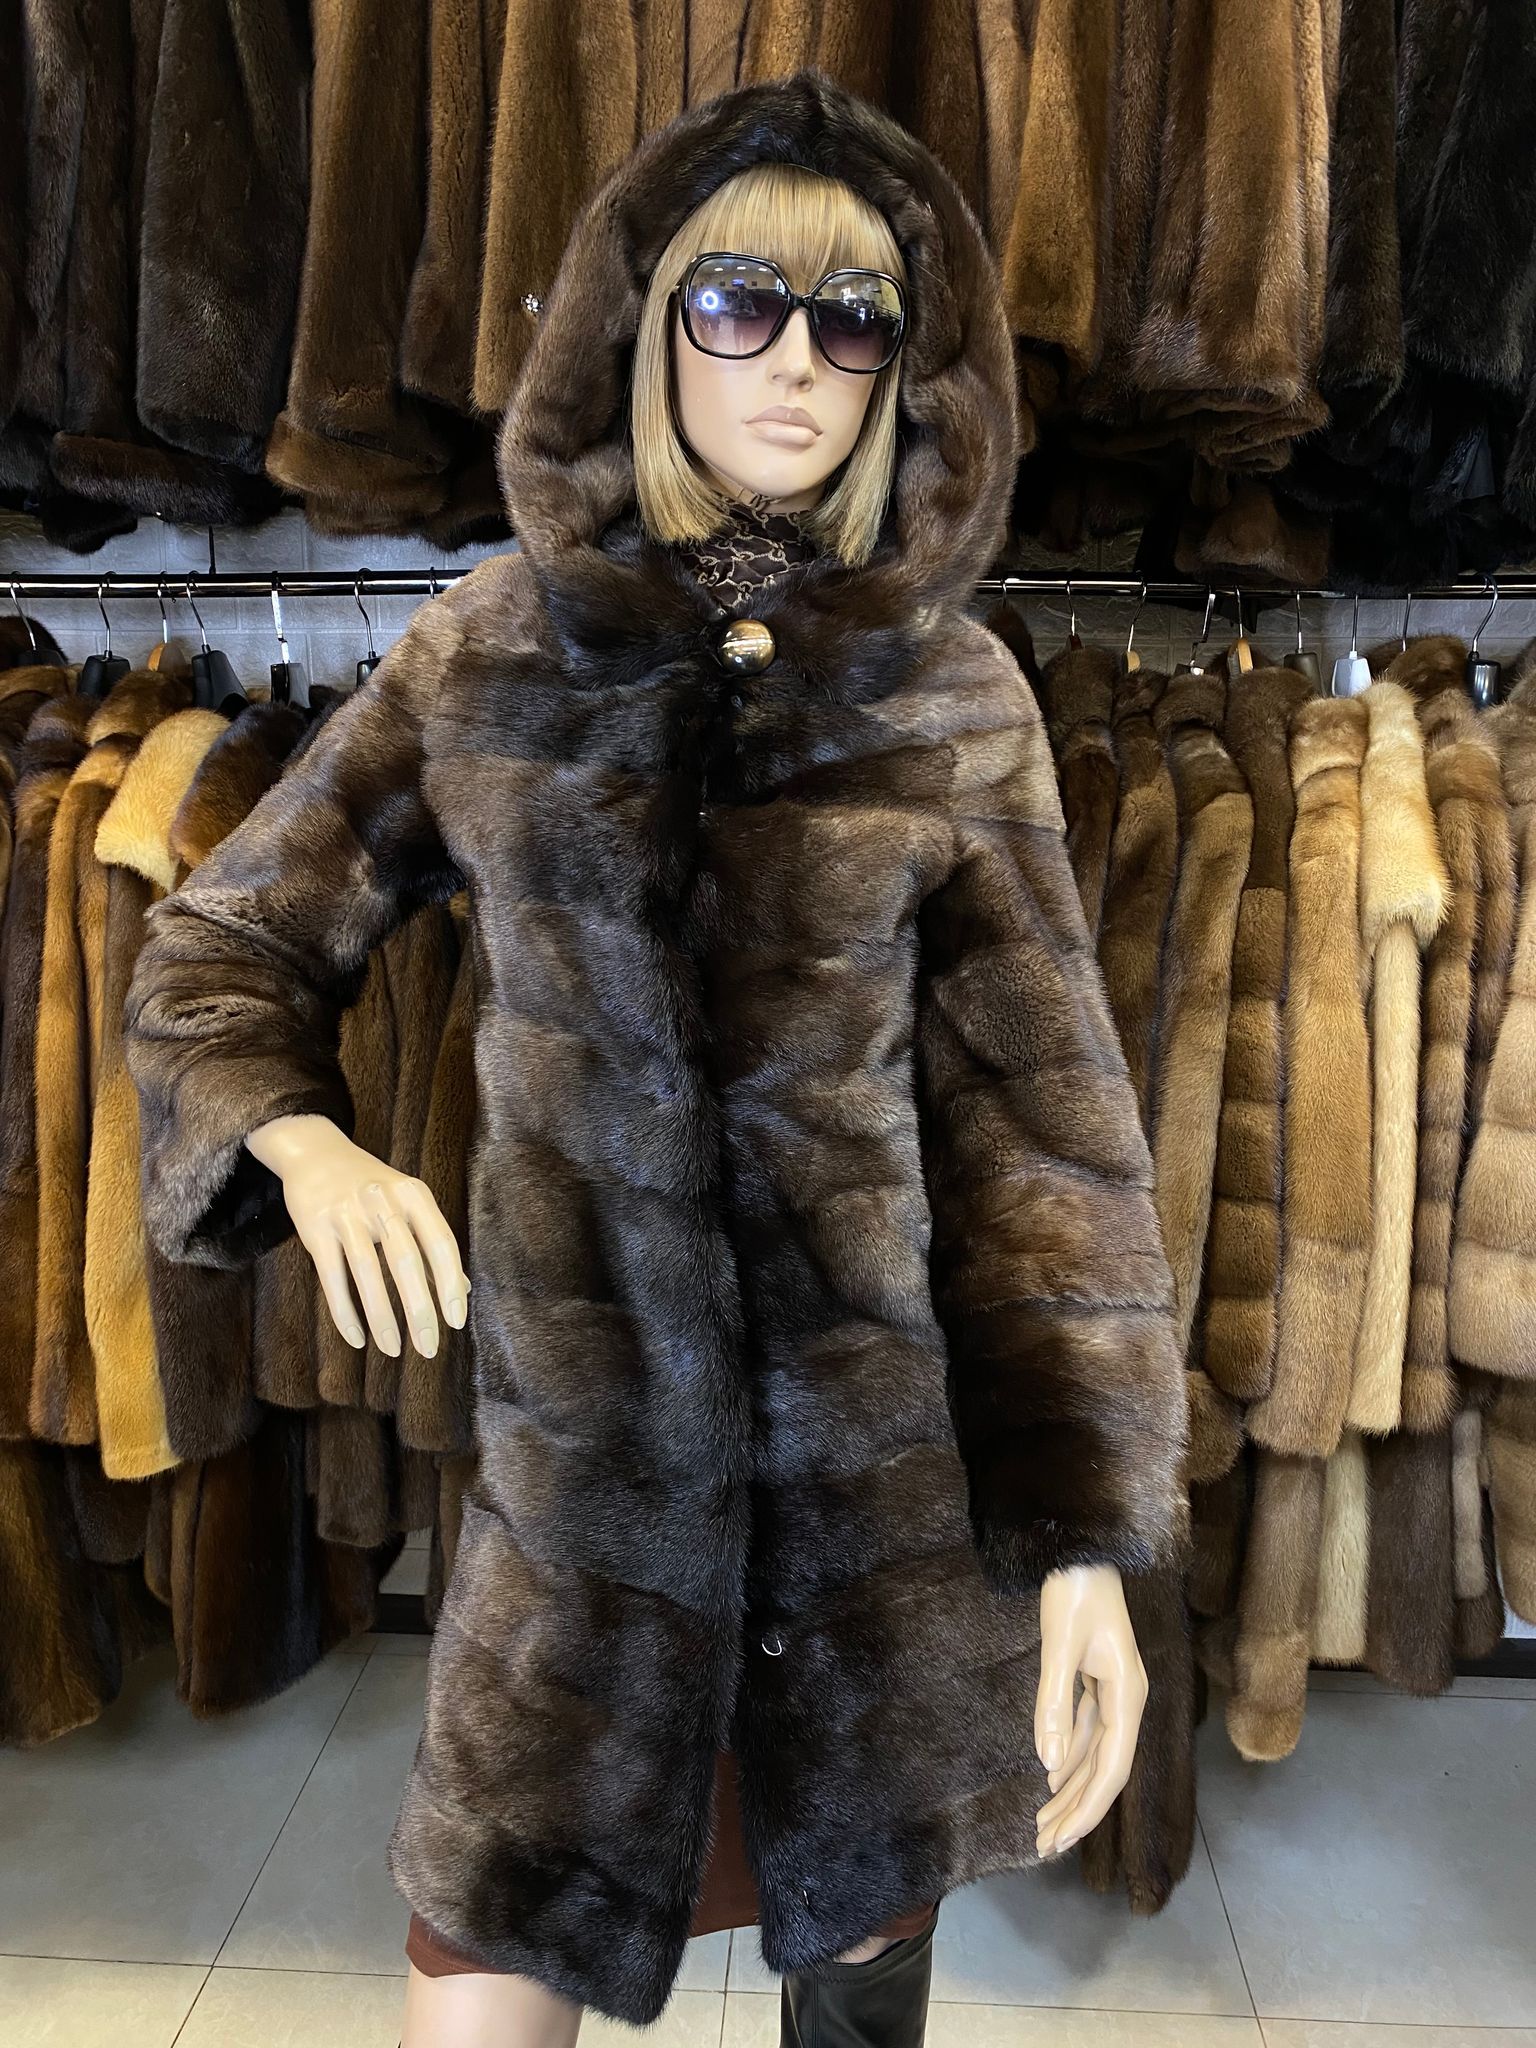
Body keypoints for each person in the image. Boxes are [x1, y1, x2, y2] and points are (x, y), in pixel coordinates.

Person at [126, 73, 1186, 2048]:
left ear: (908, 367)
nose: (794, 360)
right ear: (643, 323)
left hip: (871, 1565)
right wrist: (299, 1143)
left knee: (857, 2003)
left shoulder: (953, 697)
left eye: (853, 319)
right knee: (481, 1994)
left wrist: (1082, 1549)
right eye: (736, 302)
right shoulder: (491, 652)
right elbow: (222, 945)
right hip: (579, 1555)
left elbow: (1042, 1149)